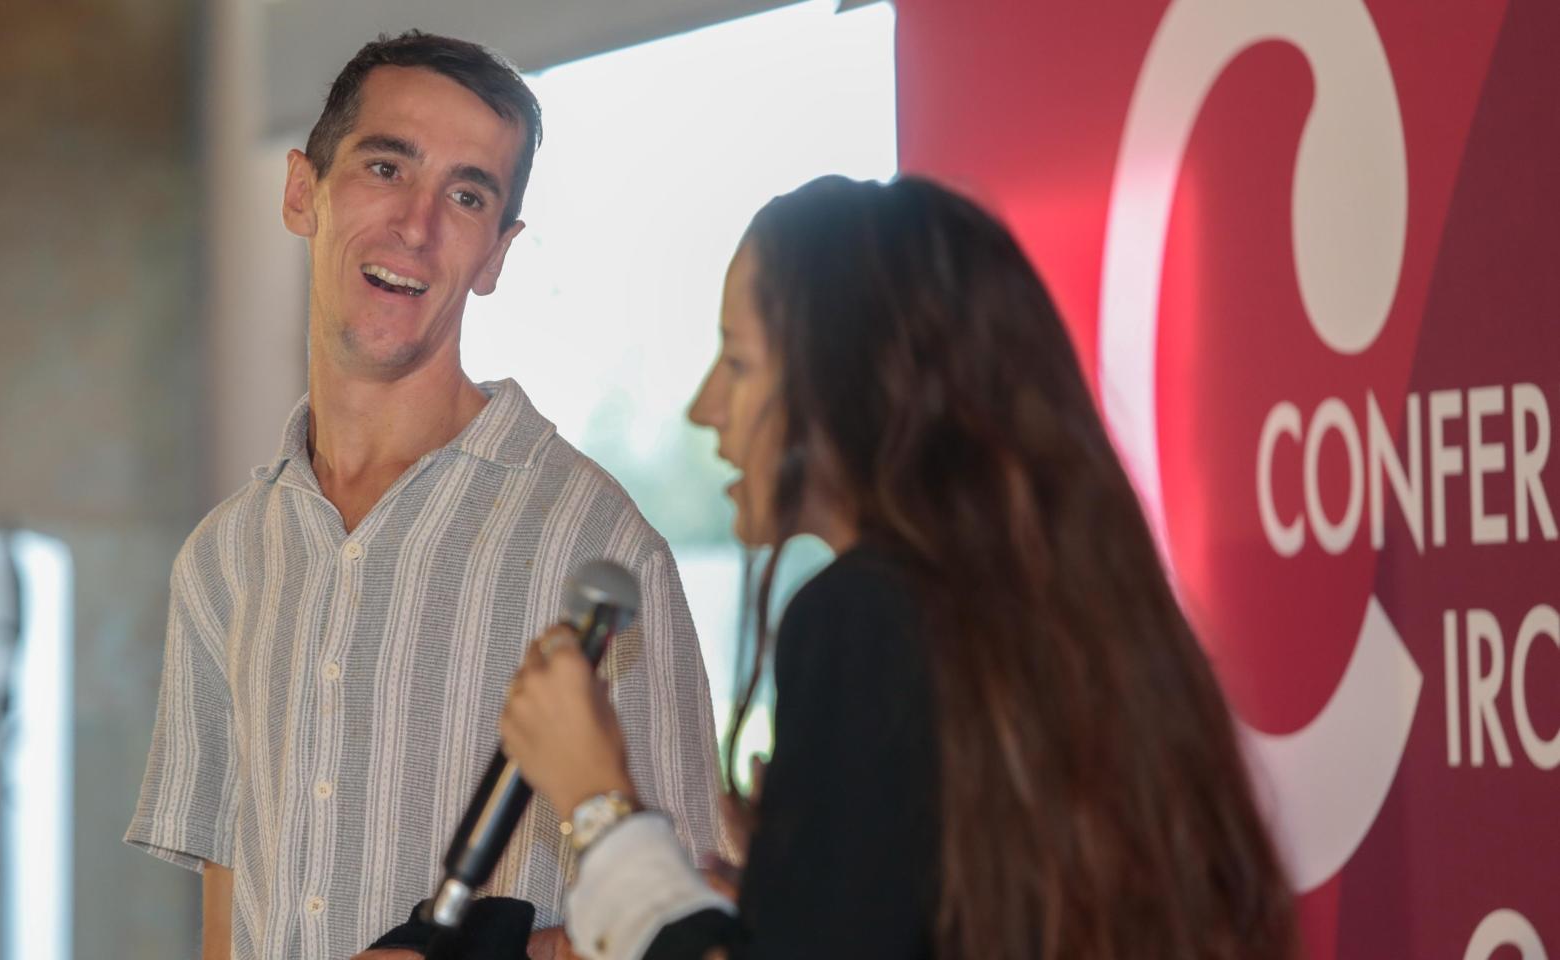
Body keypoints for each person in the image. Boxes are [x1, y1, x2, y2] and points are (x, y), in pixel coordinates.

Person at [499, 175, 1299, 960]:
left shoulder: (862, 614)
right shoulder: (1063, 627)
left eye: (738, 364)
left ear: (853, 381)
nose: (706, 408)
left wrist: (598, 805)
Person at [125, 32, 723, 960]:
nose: (418, 223)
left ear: (496, 254)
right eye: (385, 166)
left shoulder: (596, 549)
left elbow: (687, 920)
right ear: (301, 193)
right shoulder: (224, 558)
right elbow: (228, 917)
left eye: (468, 194)